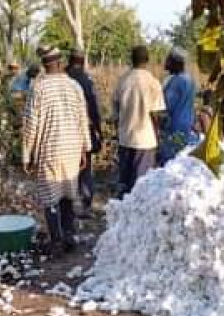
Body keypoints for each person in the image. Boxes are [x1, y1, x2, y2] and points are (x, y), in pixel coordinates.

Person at [21, 46, 91, 253]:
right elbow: (82, 119)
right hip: (72, 148)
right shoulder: (75, 86)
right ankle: (69, 236)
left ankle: (57, 240)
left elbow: (30, 124)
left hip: (50, 149)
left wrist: (27, 155)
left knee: (50, 194)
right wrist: (84, 150)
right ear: (60, 63)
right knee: (68, 192)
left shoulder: (38, 88)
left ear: (44, 65)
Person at [113, 44, 166, 194]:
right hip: (145, 139)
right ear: (147, 60)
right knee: (141, 183)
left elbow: (116, 108)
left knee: (125, 180)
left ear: (132, 60)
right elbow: (155, 114)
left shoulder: (123, 80)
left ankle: (122, 210)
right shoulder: (153, 82)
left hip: (125, 137)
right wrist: (157, 134)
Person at [66, 48, 103, 215]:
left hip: (63, 131)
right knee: (85, 166)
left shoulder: (61, 77)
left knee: (67, 168)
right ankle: (85, 203)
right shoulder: (86, 80)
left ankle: (68, 206)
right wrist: (98, 128)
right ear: (81, 61)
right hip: (82, 130)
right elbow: (93, 107)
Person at [159, 48, 196, 165]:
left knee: (171, 162)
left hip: (174, 127)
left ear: (176, 63)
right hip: (187, 124)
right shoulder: (189, 79)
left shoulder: (176, 82)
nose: (166, 63)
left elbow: (167, 105)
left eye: (169, 60)